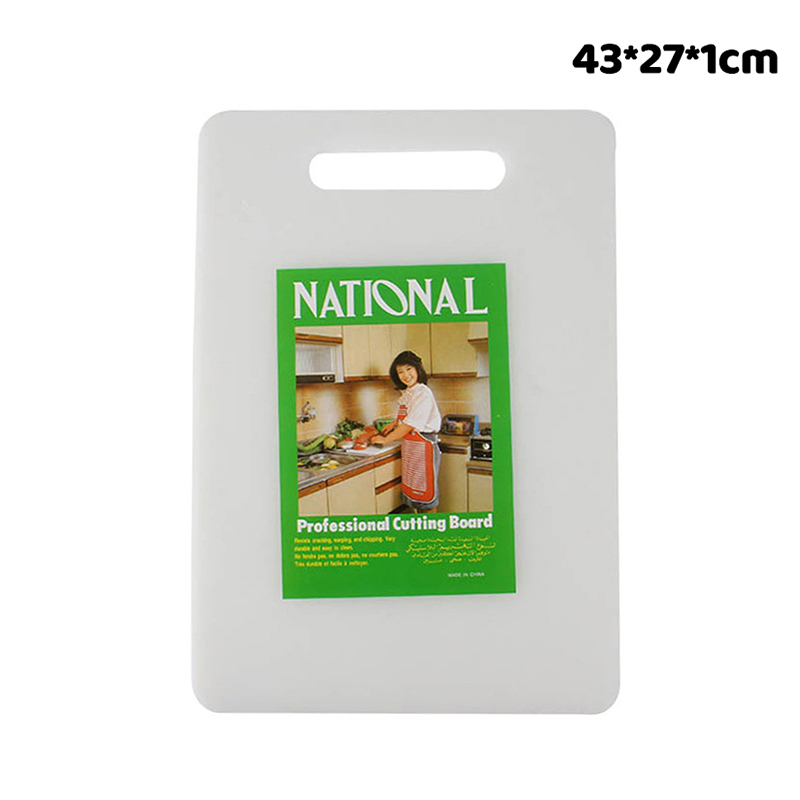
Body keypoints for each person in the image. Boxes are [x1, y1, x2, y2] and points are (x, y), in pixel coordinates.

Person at [371, 350, 442, 513]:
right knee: (414, 493)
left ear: (417, 369)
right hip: (412, 447)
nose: (406, 375)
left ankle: (431, 526)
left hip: (424, 447)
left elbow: (409, 424)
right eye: (400, 372)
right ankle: (419, 524)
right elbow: (407, 416)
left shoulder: (423, 393)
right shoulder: (409, 392)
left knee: (426, 496)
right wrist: (394, 424)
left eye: (409, 369)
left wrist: (386, 439)